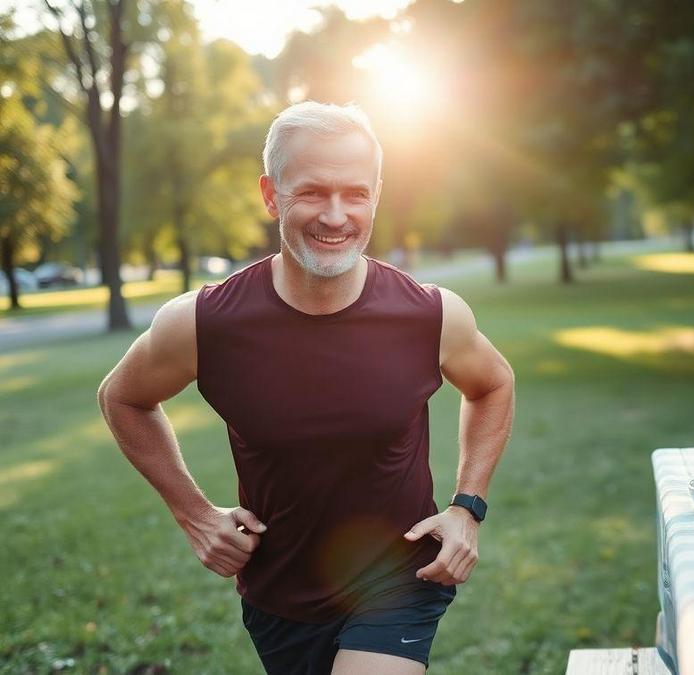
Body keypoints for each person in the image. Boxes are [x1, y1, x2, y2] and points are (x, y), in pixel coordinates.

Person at [97, 101, 515, 674]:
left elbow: (493, 384)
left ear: (376, 195)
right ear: (271, 195)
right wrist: (192, 513)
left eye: (355, 193)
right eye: (312, 192)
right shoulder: (203, 323)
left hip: (399, 581)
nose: (336, 215)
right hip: (280, 597)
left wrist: (467, 506)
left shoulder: (430, 314)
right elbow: (122, 397)